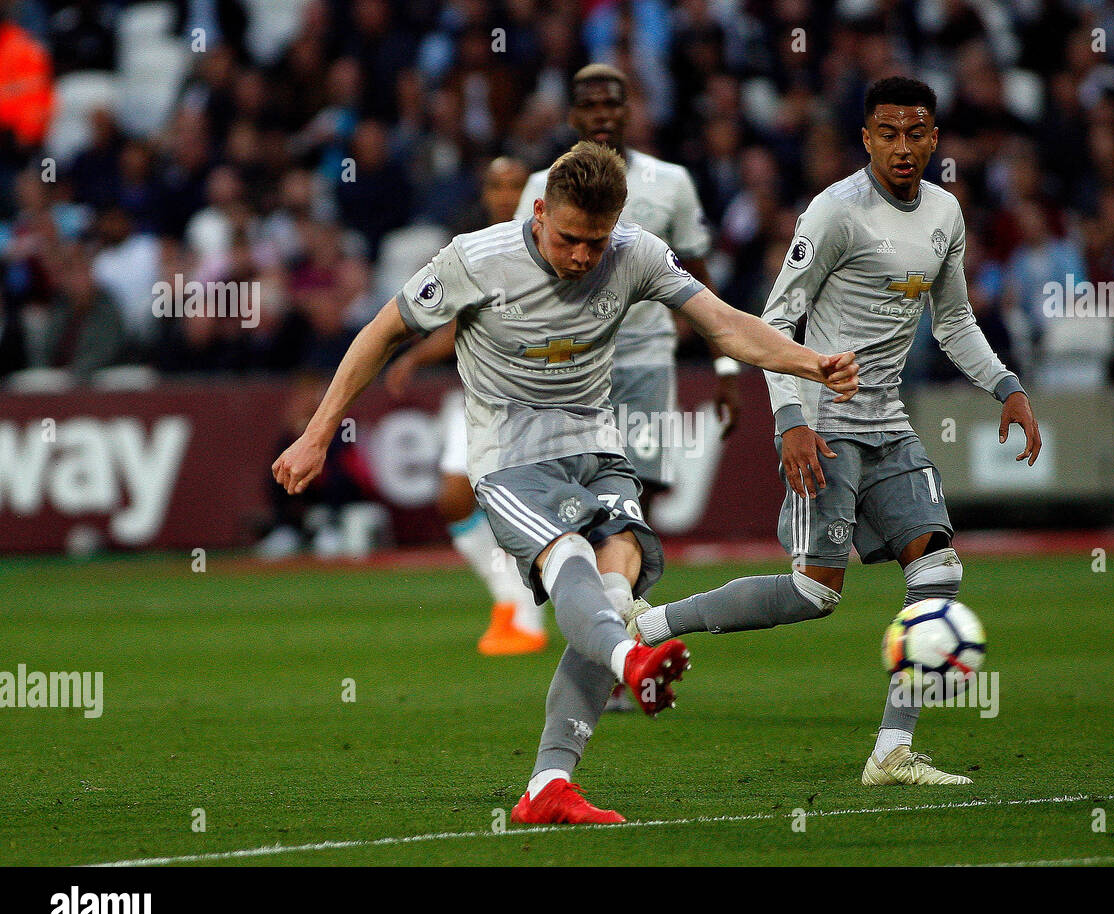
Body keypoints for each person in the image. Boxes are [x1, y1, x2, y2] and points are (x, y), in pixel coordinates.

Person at [272, 142, 858, 824]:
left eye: (596, 241)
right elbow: (381, 332)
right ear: (540, 211)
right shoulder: (476, 259)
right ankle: (630, 661)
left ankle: (549, 783)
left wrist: (810, 363)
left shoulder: (636, 253)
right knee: (574, 565)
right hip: (511, 455)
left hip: (595, 446)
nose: (583, 257)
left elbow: (724, 325)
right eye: (570, 239)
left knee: (615, 583)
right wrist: (318, 431)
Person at [629, 77, 1043, 787]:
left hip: (887, 420)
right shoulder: (834, 214)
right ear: (867, 138)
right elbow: (775, 324)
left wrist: (1006, 385)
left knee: (938, 568)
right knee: (816, 593)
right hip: (823, 423)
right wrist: (790, 420)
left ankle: (891, 751)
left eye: (916, 132)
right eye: (888, 132)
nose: (903, 146)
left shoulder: (945, 213)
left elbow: (953, 321)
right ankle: (651, 625)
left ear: (934, 138)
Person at [515, 62, 740, 709]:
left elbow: (696, 276)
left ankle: (615, 660)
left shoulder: (670, 183)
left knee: (623, 515)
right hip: (568, 370)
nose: (603, 114)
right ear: (573, 115)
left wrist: (725, 368)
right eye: (589, 104)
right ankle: (620, 655)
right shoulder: (541, 184)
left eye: (614, 102)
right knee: (582, 520)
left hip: (643, 364)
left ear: (628, 109)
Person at [385, 157, 548, 656]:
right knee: (455, 497)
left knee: (536, 505)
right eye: (495, 185)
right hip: (480, 390)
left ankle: (547, 613)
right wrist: (415, 356)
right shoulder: (473, 246)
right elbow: (460, 322)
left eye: (514, 185)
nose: (504, 194)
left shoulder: (554, 243)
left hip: (538, 394)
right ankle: (514, 599)